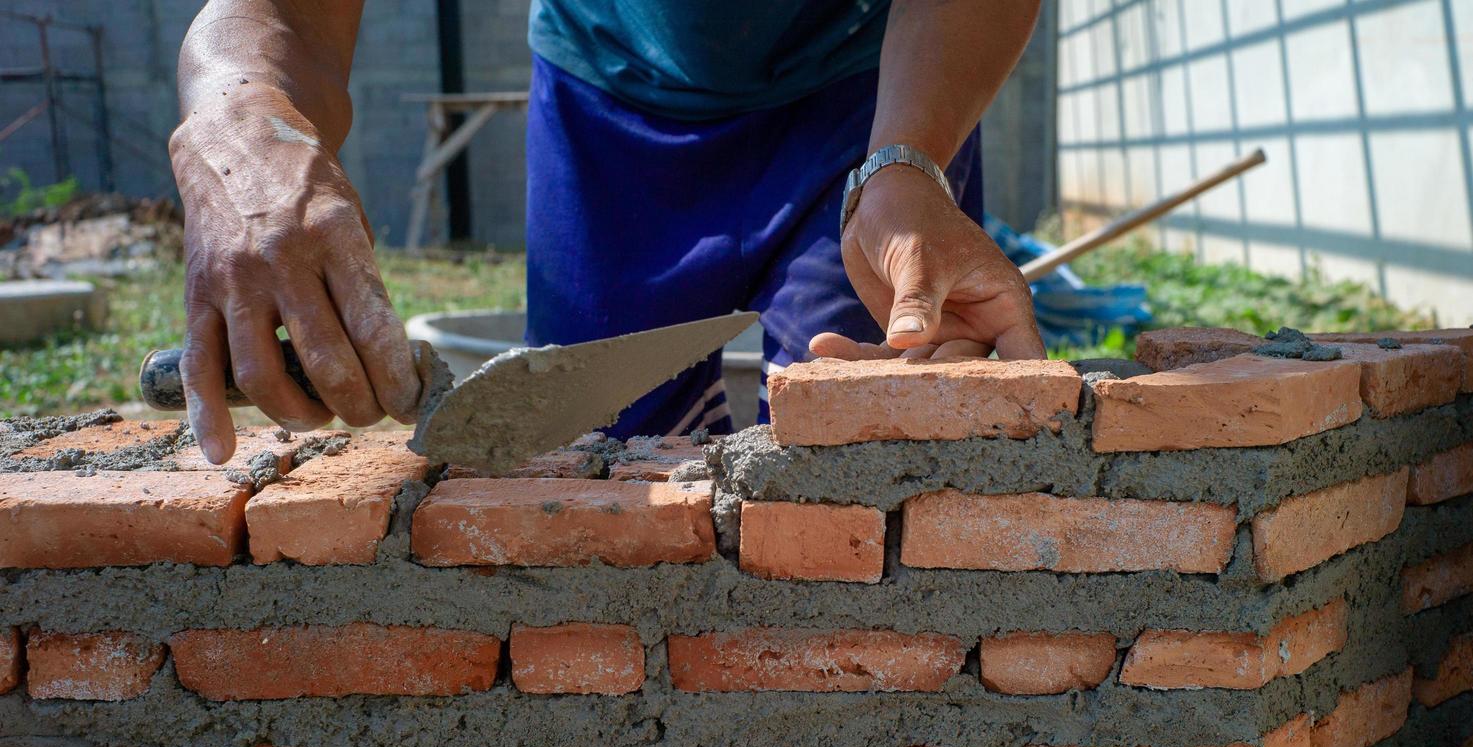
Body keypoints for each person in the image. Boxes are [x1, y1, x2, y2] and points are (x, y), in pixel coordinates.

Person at [171, 0, 1045, 463]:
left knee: (850, 456)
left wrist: (908, 160)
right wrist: (240, 109)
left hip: (868, 96)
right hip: (606, 107)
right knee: (594, 466)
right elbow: (279, 14)